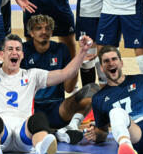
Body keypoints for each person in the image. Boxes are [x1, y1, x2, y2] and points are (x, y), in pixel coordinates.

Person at [0, 18, 94, 154]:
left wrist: (82, 51)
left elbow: (65, 73)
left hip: (24, 135)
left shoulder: (33, 75)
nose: (14, 52)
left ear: (22, 55)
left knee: (39, 118)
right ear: (2, 54)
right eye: (10, 49)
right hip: (2, 134)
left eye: (18, 49)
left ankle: (41, 148)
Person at [21, 15, 99, 144]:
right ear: (31, 33)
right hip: (32, 110)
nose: (44, 32)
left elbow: (68, 88)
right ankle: (54, 132)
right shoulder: (23, 50)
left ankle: (72, 127)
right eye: (38, 28)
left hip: (58, 109)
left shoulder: (61, 49)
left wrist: (77, 64)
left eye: (47, 28)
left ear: (52, 32)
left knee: (93, 89)